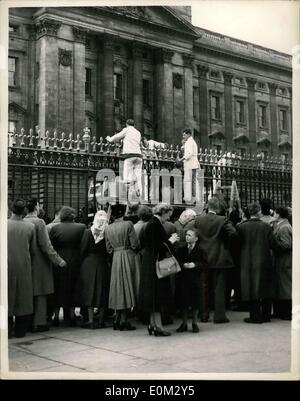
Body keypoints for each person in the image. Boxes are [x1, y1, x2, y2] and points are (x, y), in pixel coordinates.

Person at [24, 198, 66, 332]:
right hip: (40, 262)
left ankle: (27, 321)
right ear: (36, 207)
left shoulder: (22, 221)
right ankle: (39, 322)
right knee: (41, 293)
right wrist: (59, 260)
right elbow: (46, 245)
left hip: (27, 261)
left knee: (29, 293)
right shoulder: (39, 222)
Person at [193, 197, 237, 323]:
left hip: (203, 257)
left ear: (207, 206)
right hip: (219, 257)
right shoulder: (222, 219)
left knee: (204, 287)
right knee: (219, 288)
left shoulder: (198, 219)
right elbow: (233, 234)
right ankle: (219, 316)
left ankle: (204, 315)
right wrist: (225, 243)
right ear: (218, 208)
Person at [139, 203, 179, 336]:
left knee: (152, 295)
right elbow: (157, 246)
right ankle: (158, 327)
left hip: (149, 262)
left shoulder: (151, 223)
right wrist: (170, 241)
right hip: (155, 263)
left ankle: (153, 324)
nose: (169, 217)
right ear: (163, 212)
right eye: (168, 214)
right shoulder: (155, 225)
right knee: (157, 295)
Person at [237, 202, 276, 323]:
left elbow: (236, 244)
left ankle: (255, 316)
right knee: (265, 288)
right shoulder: (266, 227)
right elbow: (273, 244)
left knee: (250, 287)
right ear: (259, 212)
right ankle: (266, 315)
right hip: (264, 260)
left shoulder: (241, 227)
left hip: (247, 261)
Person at [105, 204, 139, 330]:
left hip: (116, 257)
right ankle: (124, 320)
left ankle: (117, 318)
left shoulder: (108, 228)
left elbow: (108, 248)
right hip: (127, 255)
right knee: (127, 285)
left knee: (118, 287)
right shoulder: (128, 224)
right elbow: (135, 244)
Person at [50, 206, 86, 326]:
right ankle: (71, 316)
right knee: (73, 287)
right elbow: (83, 244)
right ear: (73, 216)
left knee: (58, 287)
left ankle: (56, 316)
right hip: (75, 260)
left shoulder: (55, 229)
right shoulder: (81, 227)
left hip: (59, 261)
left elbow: (51, 245)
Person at [8, 199, 36, 338]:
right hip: (24, 266)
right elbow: (33, 249)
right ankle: (20, 331)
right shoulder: (30, 227)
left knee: (5, 299)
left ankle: (5, 330)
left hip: (6, 266)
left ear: (11, 210)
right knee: (23, 299)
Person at [78, 211, 110, 329]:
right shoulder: (107, 232)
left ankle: (90, 320)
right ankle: (101, 320)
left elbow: (83, 249)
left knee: (89, 290)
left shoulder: (88, 232)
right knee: (102, 290)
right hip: (102, 263)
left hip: (89, 263)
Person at [176, 229, 207, 333]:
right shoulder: (181, 249)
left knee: (195, 302)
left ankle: (194, 323)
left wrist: (195, 265)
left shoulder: (201, 250)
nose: (187, 237)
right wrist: (183, 265)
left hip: (195, 279)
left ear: (196, 238)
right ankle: (184, 323)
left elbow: (205, 264)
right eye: (186, 235)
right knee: (183, 302)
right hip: (183, 279)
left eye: (189, 235)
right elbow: (176, 262)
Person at [106, 119, 142, 198]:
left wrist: (109, 139)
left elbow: (117, 137)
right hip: (139, 156)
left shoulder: (126, 130)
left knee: (127, 177)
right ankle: (139, 194)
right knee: (138, 177)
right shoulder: (138, 132)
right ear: (134, 125)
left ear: (126, 124)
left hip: (129, 156)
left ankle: (127, 195)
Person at [273, 207, 292, 320]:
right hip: (283, 261)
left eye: (275, 213)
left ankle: (286, 313)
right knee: (283, 285)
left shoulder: (284, 227)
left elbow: (286, 245)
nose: (274, 214)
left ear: (279, 214)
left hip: (284, 261)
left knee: (285, 286)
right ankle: (282, 312)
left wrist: (274, 244)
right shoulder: (283, 225)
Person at [177, 129, 200, 205]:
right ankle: (194, 198)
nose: (183, 137)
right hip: (192, 164)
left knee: (189, 181)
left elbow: (189, 154)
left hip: (191, 164)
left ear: (188, 134)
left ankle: (191, 199)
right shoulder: (191, 142)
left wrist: (181, 159)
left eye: (184, 135)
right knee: (192, 181)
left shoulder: (189, 142)